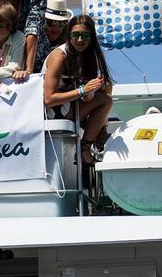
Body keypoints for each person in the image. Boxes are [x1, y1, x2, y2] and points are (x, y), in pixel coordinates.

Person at [43, 13, 113, 164]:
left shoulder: (87, 56)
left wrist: (90, 90)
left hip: (69, 108)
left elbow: (88, 97)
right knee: (105, 101)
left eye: (85, 35)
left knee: (107, 88)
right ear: (69, 35)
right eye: (75, 35)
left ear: (91, 37)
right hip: (51, 113)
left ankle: (98, 136)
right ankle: (86, 148)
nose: (80, 40)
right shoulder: (59, 57)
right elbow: (48, 99)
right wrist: (82, 91)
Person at [32, 0, 71, 73]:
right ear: (42, 21)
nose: (55, 28)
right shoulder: (33, 40)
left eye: (61, 23)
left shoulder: (69, 45)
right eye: (50, 23)